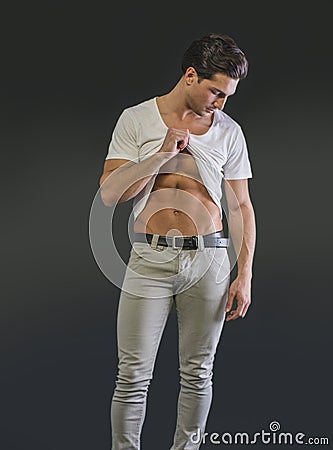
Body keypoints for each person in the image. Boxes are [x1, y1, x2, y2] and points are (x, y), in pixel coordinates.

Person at [99, 32, 256, 450]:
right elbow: (112, 194)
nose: (221, 104)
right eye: (216, 92)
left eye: (227, 96)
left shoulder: (228, 131)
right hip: (149, 258)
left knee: (198, 371)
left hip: (209, 261)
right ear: (190, 75)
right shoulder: (137, 119)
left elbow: (240, 206)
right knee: (132, 374)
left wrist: (245, 274)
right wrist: (162, 153)